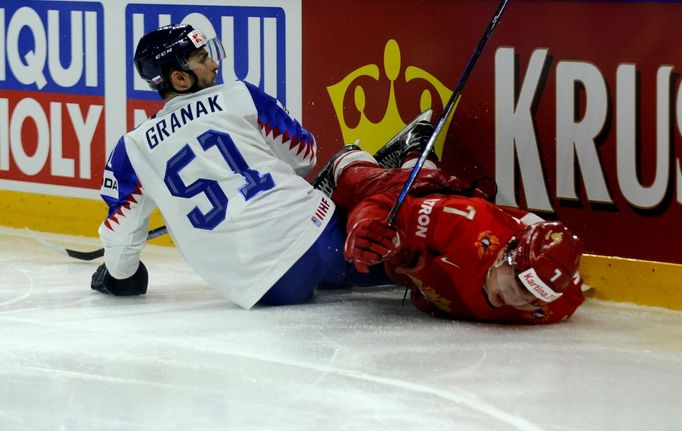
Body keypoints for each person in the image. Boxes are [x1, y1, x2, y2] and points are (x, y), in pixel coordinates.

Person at [90, 24, 389, 307]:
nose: (214, 65)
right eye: (202, 59)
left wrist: (119, 276)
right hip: (322, 239)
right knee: (350, 163)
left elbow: (122, 237)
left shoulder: (132, 148)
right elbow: (304, 157)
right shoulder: (240, 95)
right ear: (180, 78)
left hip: (267, 285)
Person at [314, 122, 586, 324]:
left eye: (533, 296)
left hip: (432, 248)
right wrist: (365, 224)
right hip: (434, 200)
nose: (518, 301)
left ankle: (416, 151)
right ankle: (350, 157)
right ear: (505, 255)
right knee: (362, 187)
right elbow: (384, 204)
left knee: (400, 261)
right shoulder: (466, 226)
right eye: (519, 285)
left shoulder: (556, 303)